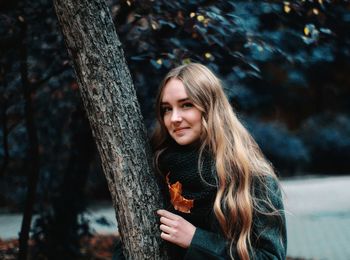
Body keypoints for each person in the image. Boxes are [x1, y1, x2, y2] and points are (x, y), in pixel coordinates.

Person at [152, 63, 287, 260]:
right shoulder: (159, 167)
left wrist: (196, 240)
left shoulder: (251, 176)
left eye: (186, 105)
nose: (174, 118)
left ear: (210, 107)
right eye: (166, 109)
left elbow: (270, 256)